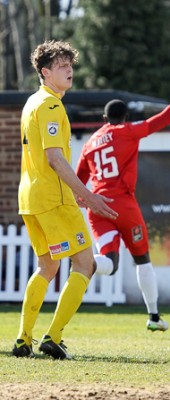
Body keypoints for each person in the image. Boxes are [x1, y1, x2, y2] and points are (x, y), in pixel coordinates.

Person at [75, 64, 170, 332]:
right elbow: (166, 116)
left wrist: (81, 198)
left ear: (104, 117)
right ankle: (154, 317)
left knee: (109, 264)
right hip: (123, 205)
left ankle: (83, 262)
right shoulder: (128, 131)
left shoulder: (89, 143)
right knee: (142, 259)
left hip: (97, 207)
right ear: (125, 117)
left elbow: (77, 179)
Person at [13, 40, 118, 360]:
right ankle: (53, 337)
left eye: (70, 64)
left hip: (30, 198)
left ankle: (23, 340)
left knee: (47, 266)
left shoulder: (32, 102)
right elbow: (55, 159)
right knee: (85, 263)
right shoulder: (51, 106)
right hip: (52, 199)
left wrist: (77, 192)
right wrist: (85, 195)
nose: (69, 69)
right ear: (45, 72)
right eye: (61, 66)